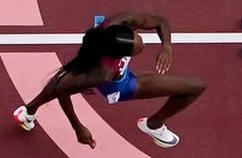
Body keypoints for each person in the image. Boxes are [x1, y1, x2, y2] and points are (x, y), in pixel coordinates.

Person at [11, 13, 206, 149]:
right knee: (195, 87)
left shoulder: (121, 22)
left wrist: (167, 47)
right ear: (119, 56)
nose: (143, 43)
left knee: (70, 73)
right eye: (137, 47)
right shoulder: (103, 74)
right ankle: (153, 125)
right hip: (121, 86)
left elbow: (160, 21)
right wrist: (78, 128)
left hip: (106, 64)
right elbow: (63, 89)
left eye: (138, 37)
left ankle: (28, 112)